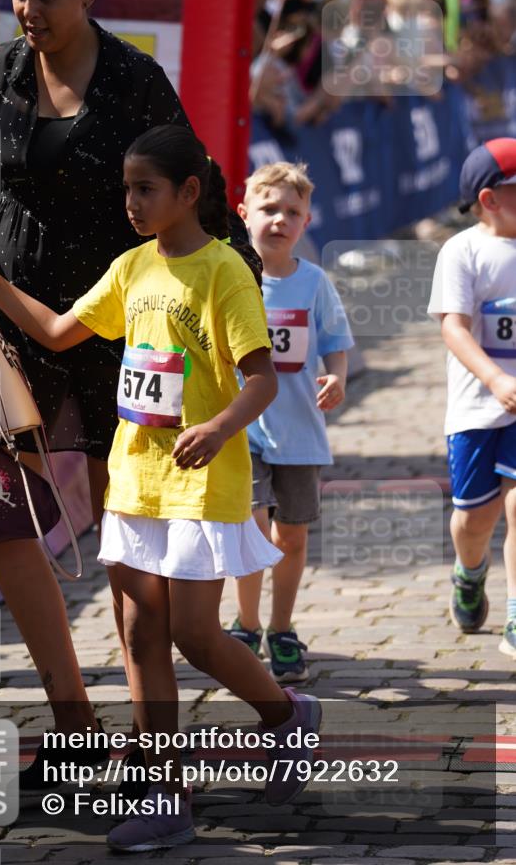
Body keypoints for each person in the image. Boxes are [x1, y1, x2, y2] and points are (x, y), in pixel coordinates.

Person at [0, 125, 323, 851]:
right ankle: (164, 795)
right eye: (126, 189)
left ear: (188, 193)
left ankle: (284, 714)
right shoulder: (130, 266)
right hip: (135, 477)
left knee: (194, 635)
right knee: (142, 633)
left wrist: (217, 430)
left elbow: (262, 379)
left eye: (146, 189)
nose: (132, 203)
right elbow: (55, 332)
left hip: (202, 482)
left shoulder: (223, 272)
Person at [0, 0, 252, 787]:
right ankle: (72, 721)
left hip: (120, 332)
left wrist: (235, 312)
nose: (27, 12)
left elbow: (199, 187)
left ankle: (152, 753)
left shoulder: (131, 80)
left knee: (130, 550)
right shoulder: (0, 69)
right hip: (14, 324)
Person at [227, 162, 353, 682]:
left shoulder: (314, 283)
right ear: (244, 213)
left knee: (291, 537)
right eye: (269, 209)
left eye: (292, 212)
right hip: (242, 429)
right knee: (253, 526)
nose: (280, 220)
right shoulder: (231, 276)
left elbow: (335, 343)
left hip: (300, 431)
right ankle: (246, 623)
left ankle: (281, 630)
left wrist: (337, 378)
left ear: (306, 222)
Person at [427, 138, 516, 658]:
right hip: (477, 407)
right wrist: (496, 380)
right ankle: (470, 570)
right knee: (474, 519)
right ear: (491, 198)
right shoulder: (462, 251)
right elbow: (455, 328)